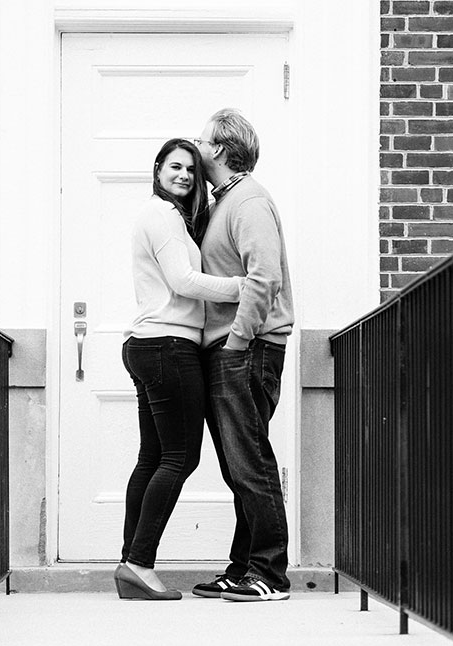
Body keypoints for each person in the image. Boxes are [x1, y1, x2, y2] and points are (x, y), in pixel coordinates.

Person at [115, 138, 244, 600]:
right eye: (175, 166)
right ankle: (139, 563)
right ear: (157, 169)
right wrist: (243, 287)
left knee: (152, 457)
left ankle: (131, 561)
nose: (185, 175)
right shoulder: (164, 218)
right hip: (168, 345)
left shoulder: (164, 216)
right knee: (179, 457)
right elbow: (183, 281)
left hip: (148, 344)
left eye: (192, 169)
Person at [190, 109, 294, 602]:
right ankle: (244, 567)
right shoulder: (226, 201)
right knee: (239, 466)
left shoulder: (249, 200)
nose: (195, 142)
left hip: (248, 348)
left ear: (219, 148)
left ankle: (270, 574)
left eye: (202, 137)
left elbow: (264, 277)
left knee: (250, 462)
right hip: (235, 349)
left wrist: (236, 342)